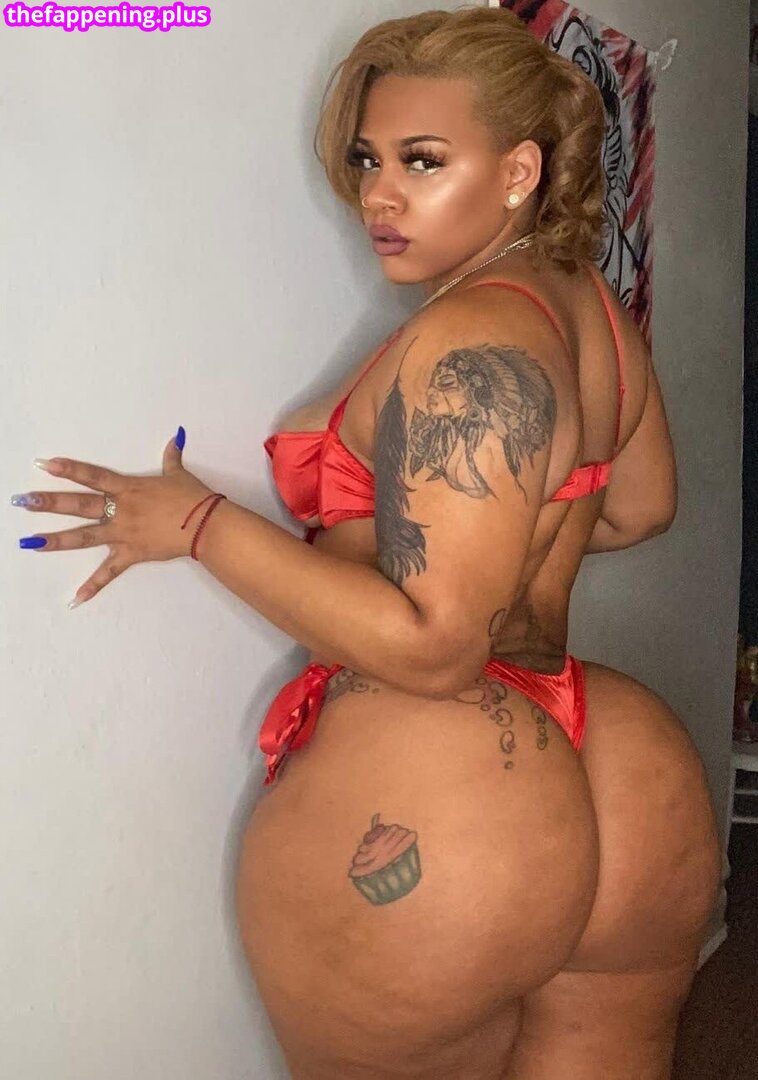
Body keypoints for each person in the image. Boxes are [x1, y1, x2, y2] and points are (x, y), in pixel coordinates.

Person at [13, 7, 720, 1078]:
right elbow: (636, 508)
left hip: (442, 792)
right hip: (617, 766)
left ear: (519, 170)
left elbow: (435, 646)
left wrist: (199, 525)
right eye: (366, 159)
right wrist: (511, 544)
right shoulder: (588, 305)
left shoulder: (471, 338)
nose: (378, 195)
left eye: (422, 160)